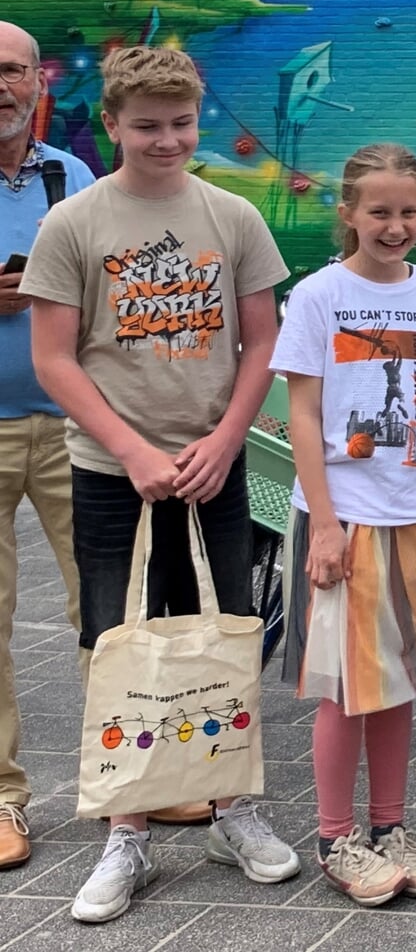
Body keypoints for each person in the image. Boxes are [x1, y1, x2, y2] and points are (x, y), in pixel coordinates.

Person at [23, 45, 300, 922]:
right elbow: (55, 360)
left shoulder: (232, 216)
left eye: (181, 124)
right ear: (110, 126)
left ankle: (234, 808)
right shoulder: (74, 223)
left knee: (227, 631)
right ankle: (127, 829)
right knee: (116, 638)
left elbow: (264, 343)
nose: (167, 139)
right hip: (112, 471)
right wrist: (132, 450)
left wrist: (227, 439)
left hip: (215, 464)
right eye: (147, 126)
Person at [272, 144, 416, 906]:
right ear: (348, 214)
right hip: (344, 518)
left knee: (396, 685)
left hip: (414, 513)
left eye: (408, 212)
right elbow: (301, 411)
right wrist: (323, 524)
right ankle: (334, 837)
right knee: (344, 689)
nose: (394, 226)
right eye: (378, 212)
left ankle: (389, 828)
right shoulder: (318, 295)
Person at [0, 19, 91, 873]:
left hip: (74, 426)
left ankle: (130, 774)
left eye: (12, 70)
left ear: (38, 85)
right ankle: (1, 798)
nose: (0, 84)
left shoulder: (74, 176)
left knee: (103, 608)